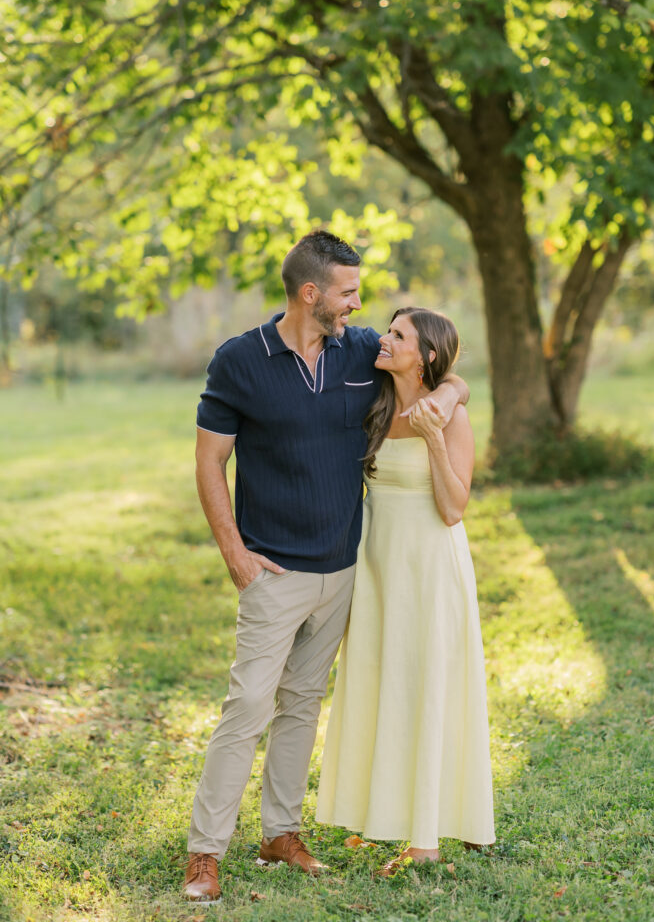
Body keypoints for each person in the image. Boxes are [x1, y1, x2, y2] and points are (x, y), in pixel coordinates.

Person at [183, 232, 469, 903]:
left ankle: (280, 832)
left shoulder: (362, 352)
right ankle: (204, 852)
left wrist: (451, 394)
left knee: (302, 705)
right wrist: (233, 551)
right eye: (347, 291)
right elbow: (208, 462)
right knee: (248, 705)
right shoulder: (239, 361)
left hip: (344, 570)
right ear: (311, 293)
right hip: (272, 571)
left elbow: (438, 368)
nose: (357, 303)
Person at [316, 307, 495, 875]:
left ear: (428, 356)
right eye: (389, 331)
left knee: (424, 685)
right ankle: (382, 815)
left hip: (428, 566)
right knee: (379, 680)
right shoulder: (376, 401)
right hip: (377, 565)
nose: (386, 339)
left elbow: (452, 508)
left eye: (400, 335)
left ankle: (425, 840)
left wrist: (435, 437)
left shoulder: (448, 415)